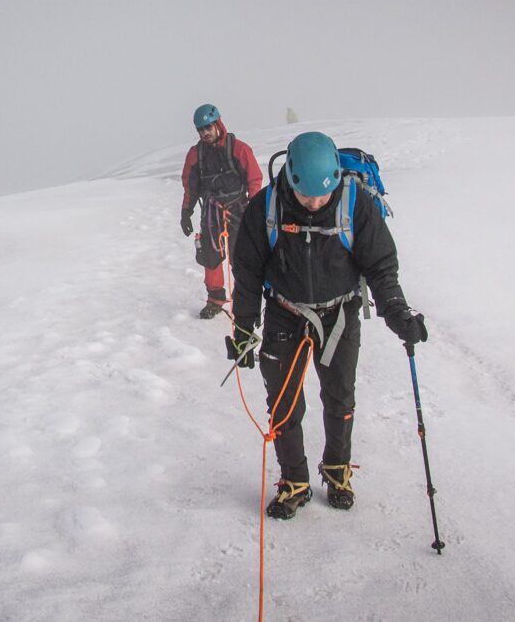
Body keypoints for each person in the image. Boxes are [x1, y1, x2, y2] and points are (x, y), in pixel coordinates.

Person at [228, 131, 428, 519]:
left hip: (340, 314)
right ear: (290, 179)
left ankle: (337, 471)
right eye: (307, 197)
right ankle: (294, 481)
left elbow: (381, 268)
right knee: (284, 403)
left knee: (339, 398)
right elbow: (248, 273)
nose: (316, 203)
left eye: (324, 195)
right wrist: (243, 329)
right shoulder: (265, 208)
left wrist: (398, 314)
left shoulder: (357, 205)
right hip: (285, 312)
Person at [180, 104, 263, 319]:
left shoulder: (239, 149)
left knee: (241, 258)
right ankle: (215, 299)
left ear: (217, 124)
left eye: (207, 127)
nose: (204, 133)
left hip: (239, 210)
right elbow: (190, 184)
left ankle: (243, 300)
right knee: (210, 256)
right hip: (211, 212)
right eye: (200, 130)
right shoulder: (195, 154)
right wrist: (186, 211)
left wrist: (255, 210)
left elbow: (254, 179)